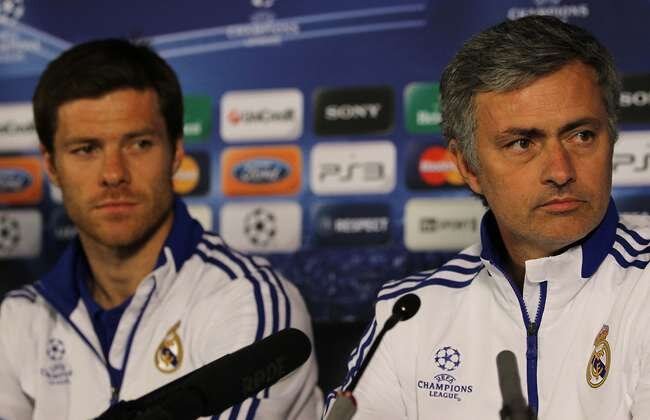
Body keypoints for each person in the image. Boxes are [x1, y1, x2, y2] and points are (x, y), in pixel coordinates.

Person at [324, 15, 650, 419]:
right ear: (468, 167)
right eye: (522, 143)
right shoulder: (410, 313)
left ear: (611, 139)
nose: (561, 171)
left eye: (582, 135)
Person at [0, 39, 321, 420]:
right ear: (51, 165)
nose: (113, 174)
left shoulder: (248, 301)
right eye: (86, 149)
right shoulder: (20, 318)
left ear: (176, 152)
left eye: (139, 144)